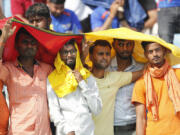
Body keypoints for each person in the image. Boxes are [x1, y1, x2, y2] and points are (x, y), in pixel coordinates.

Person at [0, 20, 52, 135]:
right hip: (19, 131)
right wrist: (3, 40)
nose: (29, 45)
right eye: (25, 42)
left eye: (33, 42)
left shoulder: (47, 69)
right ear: (16, 46)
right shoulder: (8, 69)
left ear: (38, 46)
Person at [47, 39, 102, 135]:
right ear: (59, 55)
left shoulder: (87, 76)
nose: (69, 55)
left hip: (88, 131)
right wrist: (67, 129)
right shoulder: (52, 78)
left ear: (77, 53)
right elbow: (54, 112)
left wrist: (82, 83)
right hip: (65, 132)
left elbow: (96, 110)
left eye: (72, 51)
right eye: (65, 52)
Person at [89, 39, 143, 135]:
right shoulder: (84, 78)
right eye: (100, 54)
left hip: (131, 128)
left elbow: (145, 71)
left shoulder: (114, 76)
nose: (104, 57)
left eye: (107, 54)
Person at [132, 41, 180, 135]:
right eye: (150, 52)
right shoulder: (141, 83)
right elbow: (141, 118)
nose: (155, 54)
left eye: (157, 50)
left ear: (164, 51)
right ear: (146, 55)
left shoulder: (177, 75)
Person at [107, 39, 143, 135]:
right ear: (113, 44)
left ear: (134, 45)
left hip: (136, 127)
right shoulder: (105, 68)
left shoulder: (141, 68)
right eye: (121, 44)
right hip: (109, 128)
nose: (125, 48)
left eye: (128, 44)